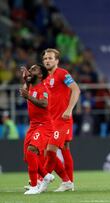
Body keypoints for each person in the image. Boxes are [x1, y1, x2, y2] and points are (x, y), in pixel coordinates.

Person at [40, 48, 80, 192]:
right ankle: (68, 182)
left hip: (62, 120)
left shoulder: (62, 73)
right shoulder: (44, 77)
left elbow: (76, 90)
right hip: (50, 120)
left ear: (57, 60)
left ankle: (43, 180)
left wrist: (69, 109)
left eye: (50, 58)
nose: (47, 61)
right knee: (61, 148)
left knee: (50, 151)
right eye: (45, 59)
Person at [19, 64, 54, 195]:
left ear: (40, 75)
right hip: (33, 125)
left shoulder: (43, 88)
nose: (30, 71)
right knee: (28, 157)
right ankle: (46, 176)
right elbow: (28, 85)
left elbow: (44, 103)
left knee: (32, 150)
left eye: (34, 69)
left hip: (44, 125)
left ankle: (34, 186)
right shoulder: (32, 86)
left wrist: (28, 96)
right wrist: (25, 78)